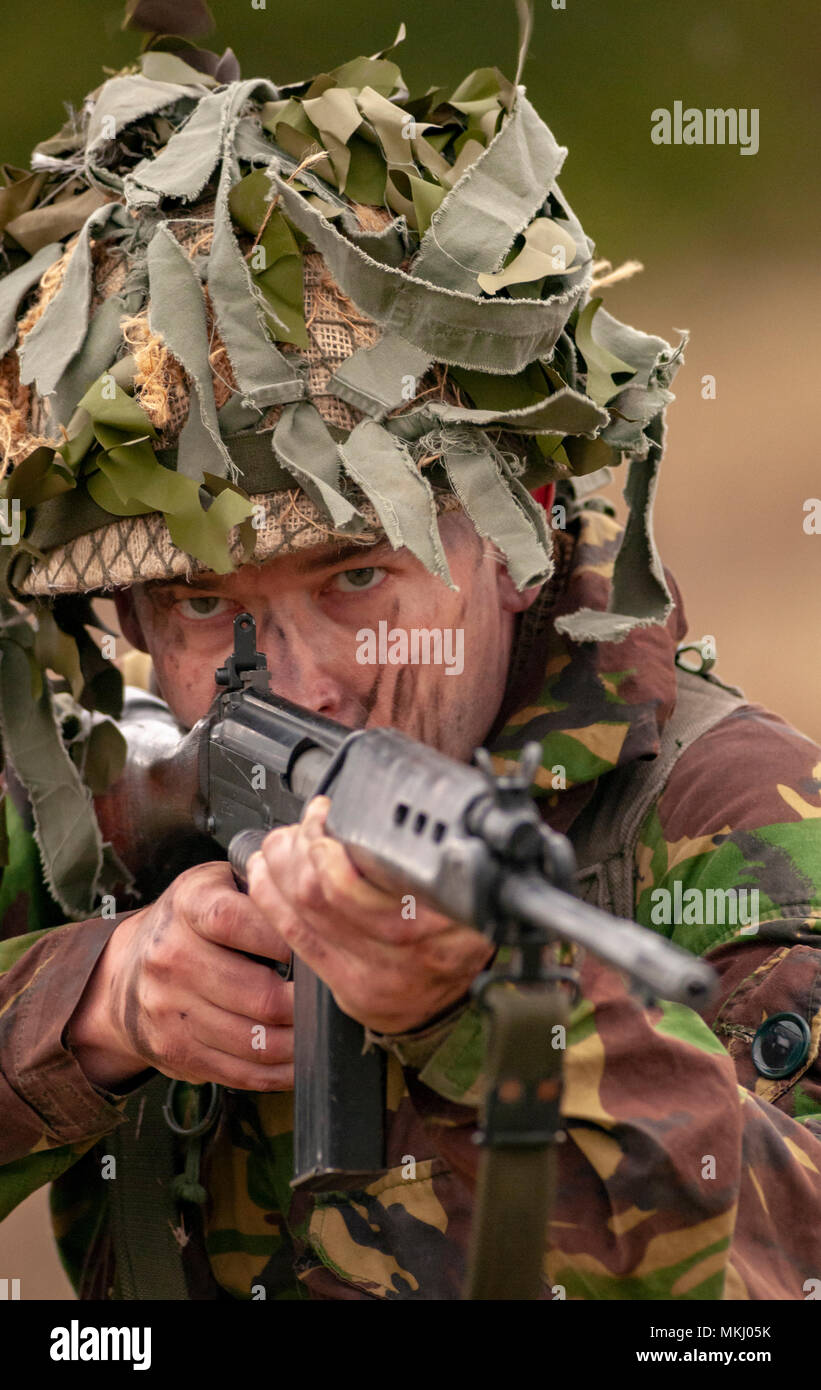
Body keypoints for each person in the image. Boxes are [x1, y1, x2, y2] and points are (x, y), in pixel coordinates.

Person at [1, 1, 820, 1301]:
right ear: (131, 624)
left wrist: (513, 1019)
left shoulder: (735, 831)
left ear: (518, 538)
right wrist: (93, 1004)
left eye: (359, 575)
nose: (311, 679)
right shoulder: (87, 808)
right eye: (208, 608)